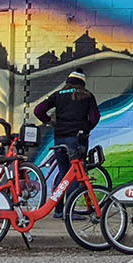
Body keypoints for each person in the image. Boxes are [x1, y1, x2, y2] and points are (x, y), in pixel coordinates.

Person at [33, 69, 99, 217]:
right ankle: (69, 211)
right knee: (74, 174)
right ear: (82, 83)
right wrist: (86, 128)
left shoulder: (58, 95)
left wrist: (49, 122)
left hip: (59, 138)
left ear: (68, 81)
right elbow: (95, 117)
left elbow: (38, 110)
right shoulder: (87, 96)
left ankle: (58, 210)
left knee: (63, 173)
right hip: (77, 139)